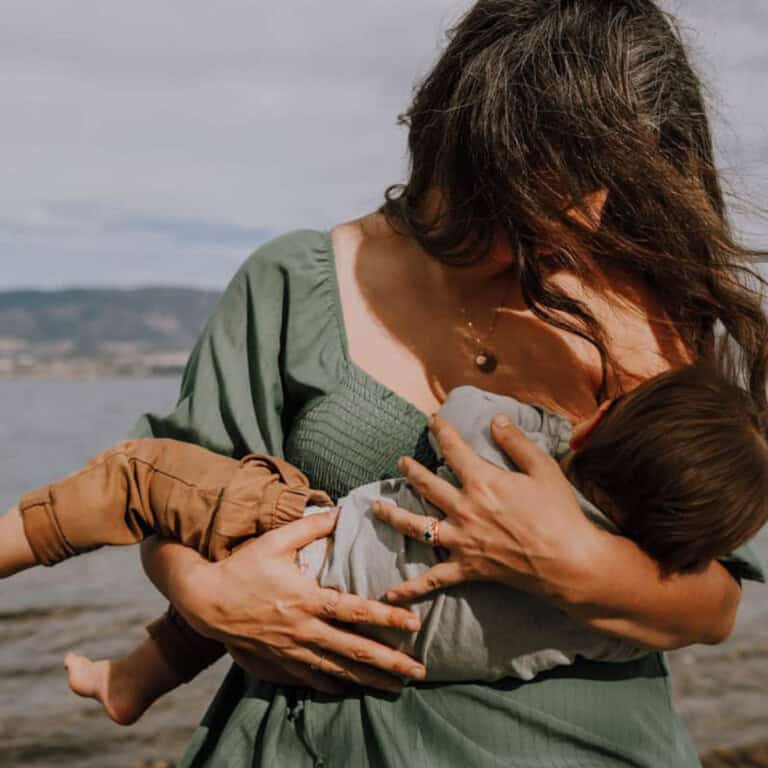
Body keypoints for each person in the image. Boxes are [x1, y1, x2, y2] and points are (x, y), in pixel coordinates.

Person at [127, 1, 768, 765]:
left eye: (603, 178)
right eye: (532, 185)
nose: (582, 217)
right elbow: (167, 495)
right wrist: (207, 600)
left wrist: (575, 564)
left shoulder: (651, 311)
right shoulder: (296, 282)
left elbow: (713, 606)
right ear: (455, 141)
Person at [2, 363, 765, 727]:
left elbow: (462, 410)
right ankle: (131, 681)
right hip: (361, 652)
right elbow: (697, 610)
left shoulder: (510, 471)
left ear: (600, 425)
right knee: (222, 587)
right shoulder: (617, 631)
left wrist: (549, 426)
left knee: (136, 474)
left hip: (308, 548)